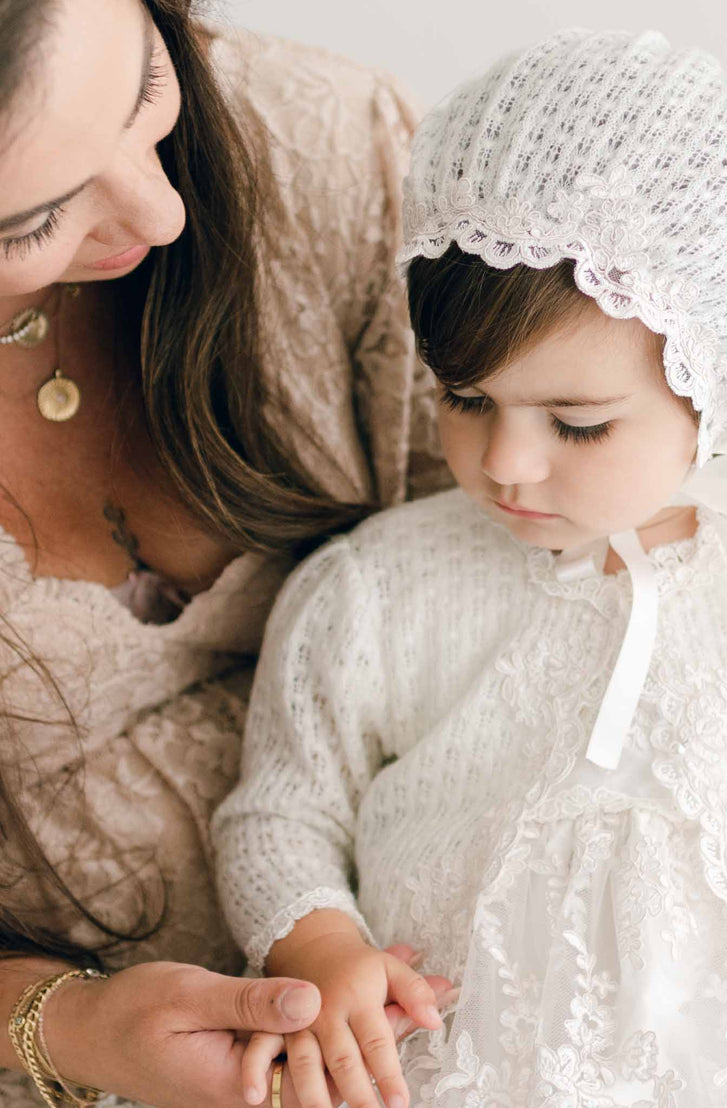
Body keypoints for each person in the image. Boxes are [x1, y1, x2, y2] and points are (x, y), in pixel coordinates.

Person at [2, 4, 727, 1107]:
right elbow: (280, 811)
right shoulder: (373, 588)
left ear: (715, 388)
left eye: (577, 423)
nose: (507, 464)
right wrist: (319, 941)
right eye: (466, 400)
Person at [0, 1, 452, 1106]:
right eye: (31, 221)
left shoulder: (325, 145)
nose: (159, 211)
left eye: (147, 92)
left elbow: (611, 551)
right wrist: (68, 1026)